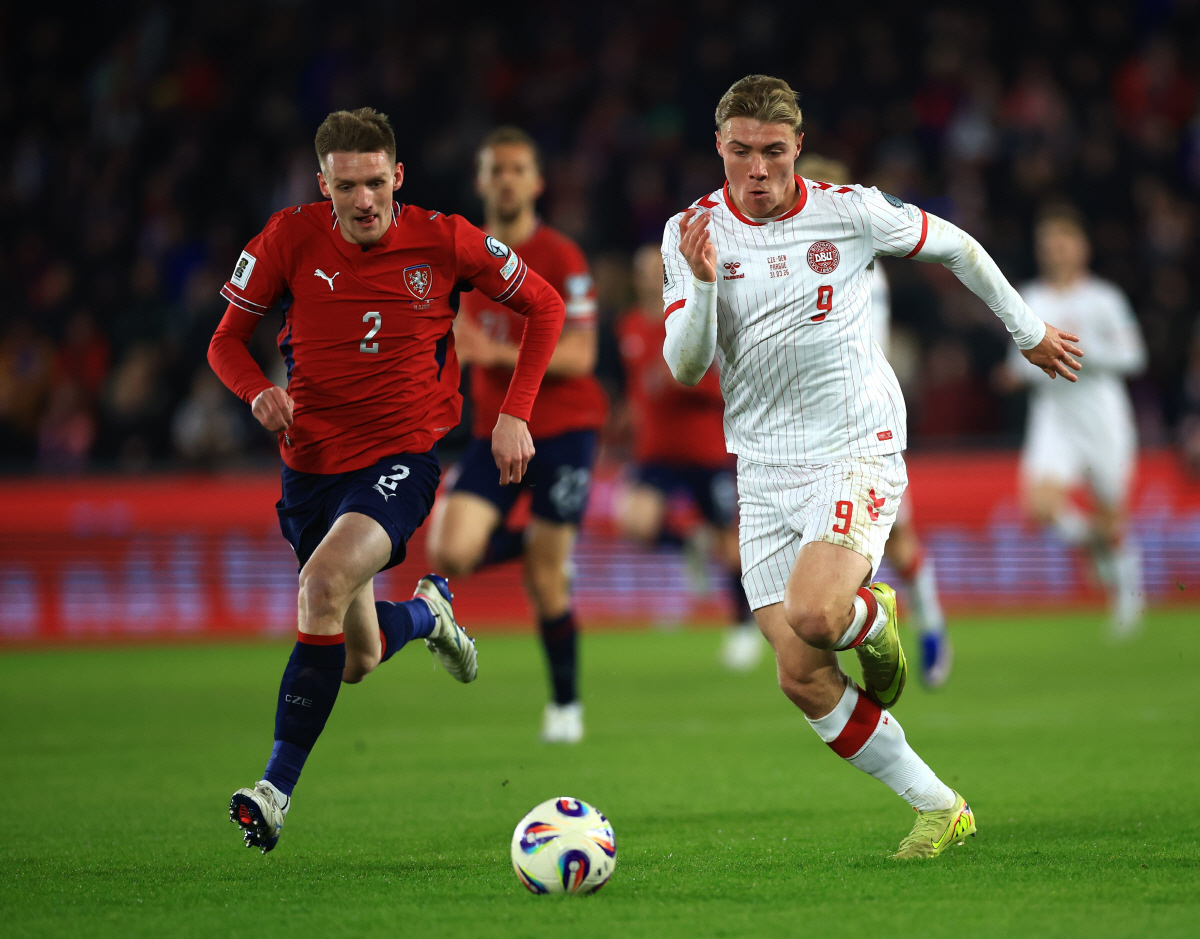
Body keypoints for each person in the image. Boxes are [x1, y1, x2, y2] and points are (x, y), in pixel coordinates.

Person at [662, 75, 1082, 859]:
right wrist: (706, 280)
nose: (759, 170)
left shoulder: (848, 211)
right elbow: (686, 367)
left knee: (818, 614)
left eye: (775, 152)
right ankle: (939, 804)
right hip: (761, 466)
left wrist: (1025, 332)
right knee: (800, 672)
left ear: (796, 145)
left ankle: (870, 614)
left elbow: (956, 243)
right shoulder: (689, 232)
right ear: (719, 146)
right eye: (743, 152)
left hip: (855, 445)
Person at [207, 108, 565, 853]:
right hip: (310, 472)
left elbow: (544, 304)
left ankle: (273, 790)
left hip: (401, 456)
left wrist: (514, 413)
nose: (364, 200)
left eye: (376, 182)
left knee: (322, 581)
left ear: (397, 176)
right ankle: (429, 613)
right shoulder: (286, 238)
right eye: (347, 186)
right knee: (359, 656)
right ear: (323, 185)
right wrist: (255, 392)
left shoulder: (445, 237)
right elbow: (226, 342)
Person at [425, 127, 607, 744]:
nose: (506, 179)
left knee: (545, 579)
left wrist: (493, 351)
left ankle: (566, 707)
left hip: (562, 430)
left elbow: (582, 356)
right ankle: (539, 540)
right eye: (495, 169)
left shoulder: (561, 256)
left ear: (536, 182)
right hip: (491, 433)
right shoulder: (456, 255)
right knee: (450, 554)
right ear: (481, 181)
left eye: (517, 169)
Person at [795, 154, 951, 687]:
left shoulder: (855, 264)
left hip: (857, 430)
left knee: (896, 540)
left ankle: (929, 625)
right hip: (807, 436)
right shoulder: (805, 259)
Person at [615, 243, 761, 670]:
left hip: (703, 450)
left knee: (730, 547)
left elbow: (726, 388)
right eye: (641, 270)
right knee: (635, 522)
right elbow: (638, 387)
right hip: (655, 452)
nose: (647, 277)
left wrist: (681, 383)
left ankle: (742, 627)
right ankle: (688, 545)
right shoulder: (630, 326)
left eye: (654, 269)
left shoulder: (695, 319)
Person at [1006, 207, 1146, 637]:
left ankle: (1126, 595)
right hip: (1054, 413)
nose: (1054, 251)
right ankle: (1097, 543)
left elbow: (1134, 356)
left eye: (1062, 242)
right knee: (1039, 504)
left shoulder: (1104, 298)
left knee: (1111, 512)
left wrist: (1078, 353)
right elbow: (1017, 362)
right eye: (1047, 244)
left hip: (1102, 413)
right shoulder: (1031, 297)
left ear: (1080, 247)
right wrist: (1020, 370)